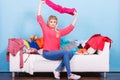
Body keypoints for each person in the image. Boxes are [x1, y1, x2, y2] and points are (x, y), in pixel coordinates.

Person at [37, 0, 80, 79]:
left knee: (71, 52)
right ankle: (69, 74)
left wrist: (76, 16)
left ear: (56, 24)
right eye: (51, 22)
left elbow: (70, 28)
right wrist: (40, 4)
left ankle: (57, 70)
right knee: (65, 51)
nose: (53, 23)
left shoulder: (59, 32)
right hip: (47, 53)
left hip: (56, 53)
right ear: (48, 23)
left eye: (54, 22)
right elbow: (39, 18)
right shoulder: (45, 29)